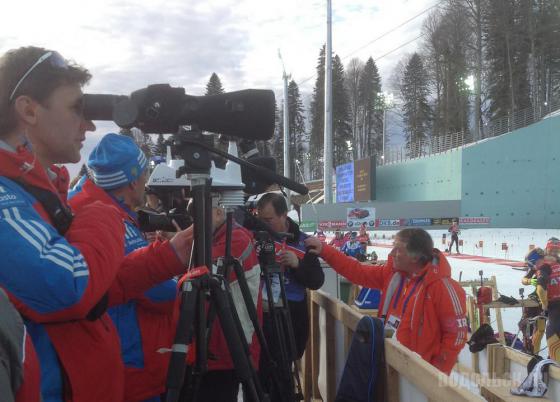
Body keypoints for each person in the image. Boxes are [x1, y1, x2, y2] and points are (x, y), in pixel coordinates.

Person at [0, 46, 192, 401]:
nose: (88, 124)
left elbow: (101, 287)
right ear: (28, 109)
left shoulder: (38, 188)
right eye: (77, 108)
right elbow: (69, 285)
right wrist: (103, 211)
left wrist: (169, 257)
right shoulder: (10, 195)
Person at [69, 133, 191, 401]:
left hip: (112, 356)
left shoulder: (85, 203)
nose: (147, 183)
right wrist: (180, 270)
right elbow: (159, 294)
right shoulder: (106, 218)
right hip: (128, 361)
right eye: (145, 174)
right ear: (133, 179)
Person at [305, 228, 468, 374]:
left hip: (419, 376)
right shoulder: (393, 276)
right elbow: (357, 271)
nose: (391, 253)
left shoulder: (442, 288)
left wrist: (436, 372)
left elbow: (456, 335)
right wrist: (325, 250)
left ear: (415, 256)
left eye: (398, 249)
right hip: (390, 365)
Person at [180, 193, 262, 402]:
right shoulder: (218, 236)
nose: (195, 221)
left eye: (200, 214)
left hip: (227, 346)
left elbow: (199, 274)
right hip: (213, 343)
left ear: (218, 212)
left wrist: (176, 245)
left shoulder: (236, 238)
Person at [256, 193, 325, 359]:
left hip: (290, 315)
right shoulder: (255, 236)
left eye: (269, 219)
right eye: (261, 219)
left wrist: (297, 265)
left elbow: (317, 281)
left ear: (283, 215)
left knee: (284, 368)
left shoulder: (304, 242)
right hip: (260, 312)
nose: (263, 224)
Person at [526, 238, 560, 361]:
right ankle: (536, 355)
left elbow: (542, 288)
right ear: (547, 249)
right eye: (552, 250)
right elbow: (525, 279)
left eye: (557, 250)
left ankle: (542, 359)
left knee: (547, 333)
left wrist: (545, 305)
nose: (555, 253)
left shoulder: (548, 264)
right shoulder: (542, 263)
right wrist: (530, 281)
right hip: (539, 300)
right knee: (539, 330)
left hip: (549, 303)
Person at [520, 248, 546, 354]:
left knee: (540, 330)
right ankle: (530, 350)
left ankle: (535, 352)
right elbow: (524, 280)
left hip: (550, 301)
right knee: (527, 326)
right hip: (536, 299)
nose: (533, 266)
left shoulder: (552, 266)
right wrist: (531, 281)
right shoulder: (536, 267)